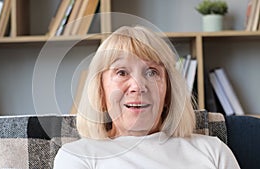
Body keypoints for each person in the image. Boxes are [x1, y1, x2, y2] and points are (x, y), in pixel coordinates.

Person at [53, 26, 240, 169]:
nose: (138, 86)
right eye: (122, 72)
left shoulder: (214, 151)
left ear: (168, 93)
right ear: (100, 92)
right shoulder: (77, 156)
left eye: (152, 72)